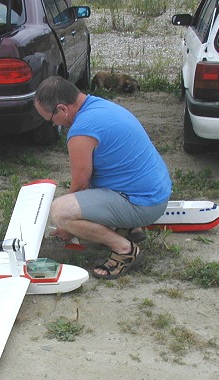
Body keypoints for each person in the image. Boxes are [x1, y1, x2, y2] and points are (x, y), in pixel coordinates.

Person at [34, 76, 172, 280]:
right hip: (157, 193)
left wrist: (67, 228)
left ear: (62, 109)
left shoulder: (81, 133)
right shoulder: (101, 106)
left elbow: (81, 186)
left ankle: (124, 249)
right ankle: (130, 227)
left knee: (61, 211)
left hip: (144, 204)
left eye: (50, 119)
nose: (53, 125)